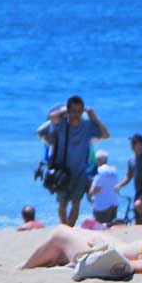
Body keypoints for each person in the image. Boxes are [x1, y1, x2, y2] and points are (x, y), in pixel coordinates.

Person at [20, 226, 142, 280]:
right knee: (76, 233)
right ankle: (50, 260)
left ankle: (23, 268)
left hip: (103, 252)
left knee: (60, 232)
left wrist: (100, 246)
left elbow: (125, 266)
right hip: (116, 244)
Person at [36, 96, 109, 227]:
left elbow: (106, 135)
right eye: (73, 111)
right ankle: (64, 227)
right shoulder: (61, 123)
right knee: (62, 204)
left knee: (76, 204)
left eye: (79, 111)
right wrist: (65, 109)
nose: (76, 114)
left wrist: (94, 117)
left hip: (80, 172)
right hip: (62, 171)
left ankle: (69, 230)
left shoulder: (87, 124)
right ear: (68, 111)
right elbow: (51, 118)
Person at [87, 149, 121, 225]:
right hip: (113, 204)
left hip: (102, 206)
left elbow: (95, 189)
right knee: (110, 227)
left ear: (99, 160)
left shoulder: (100, 170)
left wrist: (89, 196)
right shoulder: (113, 170)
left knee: (101, 228)